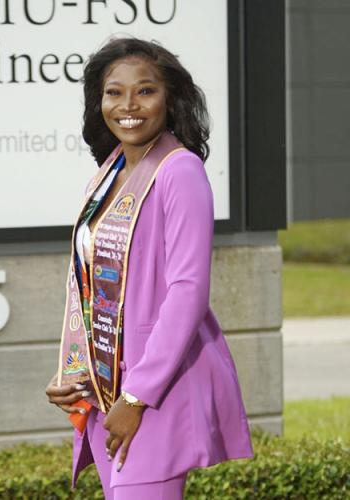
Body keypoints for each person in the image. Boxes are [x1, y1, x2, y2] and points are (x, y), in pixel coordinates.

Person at [46, 37, 254, 500]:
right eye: (113, 92)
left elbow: (188, 290)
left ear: (170, 98)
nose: (128, 105)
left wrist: (137, 396)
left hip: (152, 391)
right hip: (105, 392)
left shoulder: (179, 172)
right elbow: (90, 282)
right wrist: (74, 373)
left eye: (145, 91)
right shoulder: (109, 172)